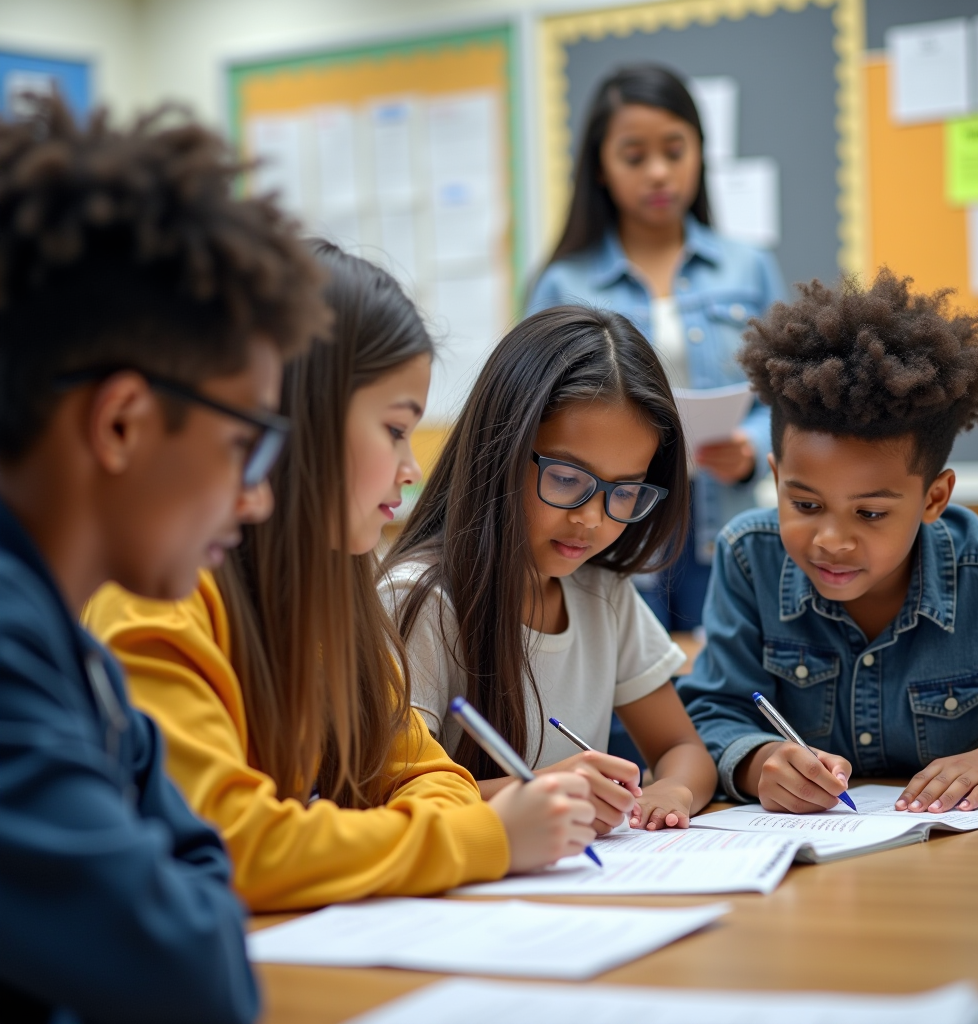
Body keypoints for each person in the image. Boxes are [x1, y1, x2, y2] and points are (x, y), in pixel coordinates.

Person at [84, 244, 596, 912]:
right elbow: (238, 844)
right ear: (301, 422)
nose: (411, 468)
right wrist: (484, 838)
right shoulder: (155, 599)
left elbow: (429, 777)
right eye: (394, 430)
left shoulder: (339, 596)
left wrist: (425, 831)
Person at [0, 99, 326, 1022]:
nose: (257, 497)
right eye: (245, 447)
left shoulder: (75, 655)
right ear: (121, 423)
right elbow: (193, 968)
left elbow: (201, 895)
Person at [679, 270, 978, 814]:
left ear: (934, 498)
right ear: (775, 478)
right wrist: (758, 760)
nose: (832, 541)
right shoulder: (749, 557)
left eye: (870, 513)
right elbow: (716, 709)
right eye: (806, 505)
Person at [383, 305, 718, 834]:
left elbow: (681, 748)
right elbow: (388, 793)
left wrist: (670, 789)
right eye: (566, 478)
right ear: (501, 450)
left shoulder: (602, 594)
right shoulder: (418, 599)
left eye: (625, 491)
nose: (591, 518)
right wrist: (538, 791)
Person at [529, 64, 787, 634]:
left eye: (675, 150)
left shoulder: (749, 269)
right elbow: (529, 415)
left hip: (719, 517)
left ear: (701, 152)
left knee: (722, 687)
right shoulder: (560, 284)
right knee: (618, 693)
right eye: (634, 155)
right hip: (605, 517)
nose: (659, 172)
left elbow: (792, 401)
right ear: (600, 166)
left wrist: (750, 444)